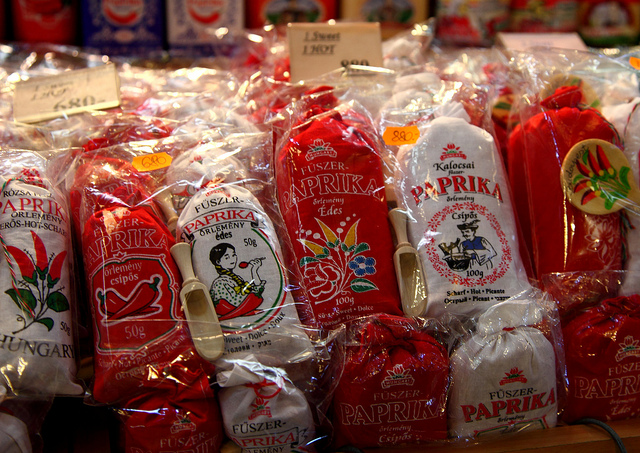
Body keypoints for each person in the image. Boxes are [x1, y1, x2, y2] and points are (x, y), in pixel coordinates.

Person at [209, 243, 265, 320]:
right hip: (236, 319)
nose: (232, 259)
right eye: (227, 257)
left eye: (233, 255)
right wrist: (255, 293)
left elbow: (252, 292)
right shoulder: (220, 283)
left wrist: (254, 270)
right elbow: (240, 302)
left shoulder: (236, 278)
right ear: (218, 262)